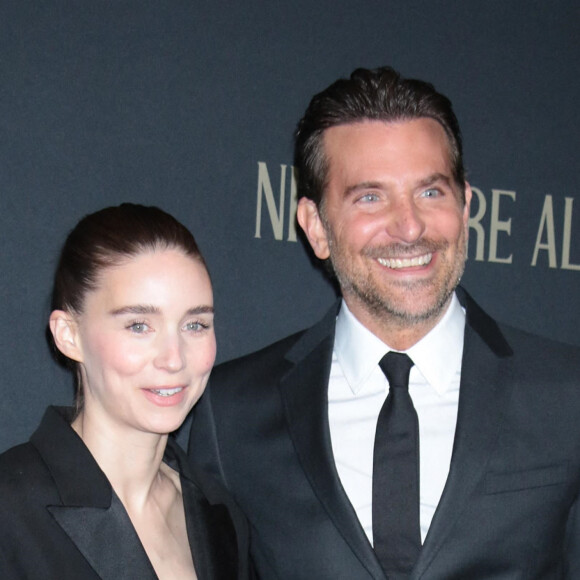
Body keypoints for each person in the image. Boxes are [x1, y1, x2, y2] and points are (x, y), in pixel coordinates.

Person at [189, 67, 580, 579]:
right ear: (316, 227)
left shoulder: (566, 395)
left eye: (431, 192)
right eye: (370, 197)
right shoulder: (233, 412)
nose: (410, 226)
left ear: (466, 207)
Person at [0, 203, 252, 579]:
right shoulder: (10, 512)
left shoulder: (219, 514)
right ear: (69, 335)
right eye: (138, 326)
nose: (174, 359)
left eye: (195, 325)